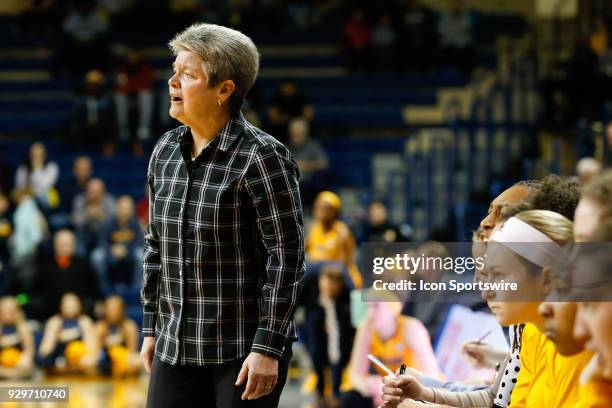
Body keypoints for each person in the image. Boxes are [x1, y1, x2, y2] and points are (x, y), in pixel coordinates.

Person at [140, 23, 305, 408]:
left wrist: (268, 347)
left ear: (224, 90)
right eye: (174, 70)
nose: (172, 82)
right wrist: (151, 328)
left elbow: (288, 258)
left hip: (242, 353)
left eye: (188, 74)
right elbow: (155, 248)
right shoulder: (163, 151)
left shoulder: (264, 157)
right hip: (173, 346)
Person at [344, 291, 442, 408]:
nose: (369, 313)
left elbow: (432, 374)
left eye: (376, 306)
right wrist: (371, 386)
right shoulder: (366, 329)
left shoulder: (412, 328)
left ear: (393, 307)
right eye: (367, 306)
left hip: (417, 388)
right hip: (389, 386)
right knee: (352, 398)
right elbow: (354, 374)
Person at [300, 264, 354, 408]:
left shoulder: (347, 293)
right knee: (316, 353)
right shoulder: (309, 287)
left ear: (339, 285)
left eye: (332, 287)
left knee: (337, 354)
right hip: (315, 318)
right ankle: (320, 393)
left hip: (338, 322)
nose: (328, 290)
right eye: (324, 286)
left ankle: (336, 394)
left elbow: (348, 327)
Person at [32, 229, 100, 320]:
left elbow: (94, 289)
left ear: (74, 245)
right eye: (63, 245)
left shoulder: (84, 264)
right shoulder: (44, 266)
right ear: (55, 246)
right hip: (51, 313)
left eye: (69, 245)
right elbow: (36, 290)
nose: (65, 248)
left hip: (80, 311)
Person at [306, 191, 362, 288]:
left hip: (338, 276)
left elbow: (342, 264)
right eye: (317, 207)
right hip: (317, 275)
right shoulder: (314, 228)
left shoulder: (341, 231)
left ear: (334, 212)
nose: (318, 211)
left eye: (324, 208)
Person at [91, 195, 143, 290]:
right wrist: (112, 250)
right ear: (117, 209)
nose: (125, 212)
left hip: (129, 254)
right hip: (110, 254)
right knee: (97, 256)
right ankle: (103, 287)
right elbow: (101, 241)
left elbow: (139, 243)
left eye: (128, 209)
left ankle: (136, 287)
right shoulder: (107, 223)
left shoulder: (136, 224)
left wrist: (126, 250)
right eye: (122, 208)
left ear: (132, 211)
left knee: (141, 255)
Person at [39, 293, 98, 375]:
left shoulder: (84, 321)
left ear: (80, 306)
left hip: (79, 362)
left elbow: (92, 347)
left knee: (90, 361)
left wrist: (87, 358)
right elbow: (44, 350)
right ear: (61, 307)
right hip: (59, 358)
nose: (70, 309)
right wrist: (55, 336)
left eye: (73, 306)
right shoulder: (55, 322)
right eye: (67, 306)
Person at [113, 48, 155, 148]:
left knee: (146, 96)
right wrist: (133, 87)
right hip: (127, 97)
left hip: (140, 97)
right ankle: (123, 129)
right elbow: (120, 86)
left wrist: (131, 86)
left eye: (134, 55)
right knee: (119, 96)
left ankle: (143, 129)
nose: (132, 58)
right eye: (130, 56)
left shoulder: (145, 67)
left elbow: (147, 85)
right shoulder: (122, 68)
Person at [287, 118, 329, 206]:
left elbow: (324, 163)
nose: (296, 136)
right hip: (290, 182)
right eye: (294, 134)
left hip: (310, 183)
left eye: (299, 134)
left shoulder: (313, 146)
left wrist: (307, 165)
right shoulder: (285, 147)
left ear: (305, 133)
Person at [96, 295, 141, 377]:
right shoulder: (100, 326)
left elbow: (132, 351)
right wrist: (105, 343)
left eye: (116, 310)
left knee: (137, 360)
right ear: (105, 310)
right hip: (105, 361)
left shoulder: (129, 326)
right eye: (110, 310)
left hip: (122, 360)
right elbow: (95, 351)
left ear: (122, 310)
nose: (113, 313)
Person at [71, 178, 116, 256]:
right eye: (90, 192)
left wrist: (101, 217)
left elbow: (114, 223)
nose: (93, 196)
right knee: (79, 251)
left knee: (100, 254)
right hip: (83, 235)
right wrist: (87, 216)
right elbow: (75, 222)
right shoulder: (79, 200)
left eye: (96, 193)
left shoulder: (110, 201)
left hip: (104, 236)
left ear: (103, 192)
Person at [14, 143, 60, 209]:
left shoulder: (52, 166)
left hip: (47, 199)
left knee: (40, 196)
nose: (36, 158)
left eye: (40, 155)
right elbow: (20, 187)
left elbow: (45, 186)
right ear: (29, 155)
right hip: (27, 198)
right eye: (34, 155)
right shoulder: (23, 168)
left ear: (45, 155)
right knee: (24, 200)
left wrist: (36, 168)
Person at [0, 296, 34, 380]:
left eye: (10, 311)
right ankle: (9, 375)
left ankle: (11, 375)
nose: (7, 315)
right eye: (4, 311)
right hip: (2, 364)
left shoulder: (23, 327)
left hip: (18, 363)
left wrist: (25, 358)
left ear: (17, 312)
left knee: (27, 364)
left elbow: (29, 349)